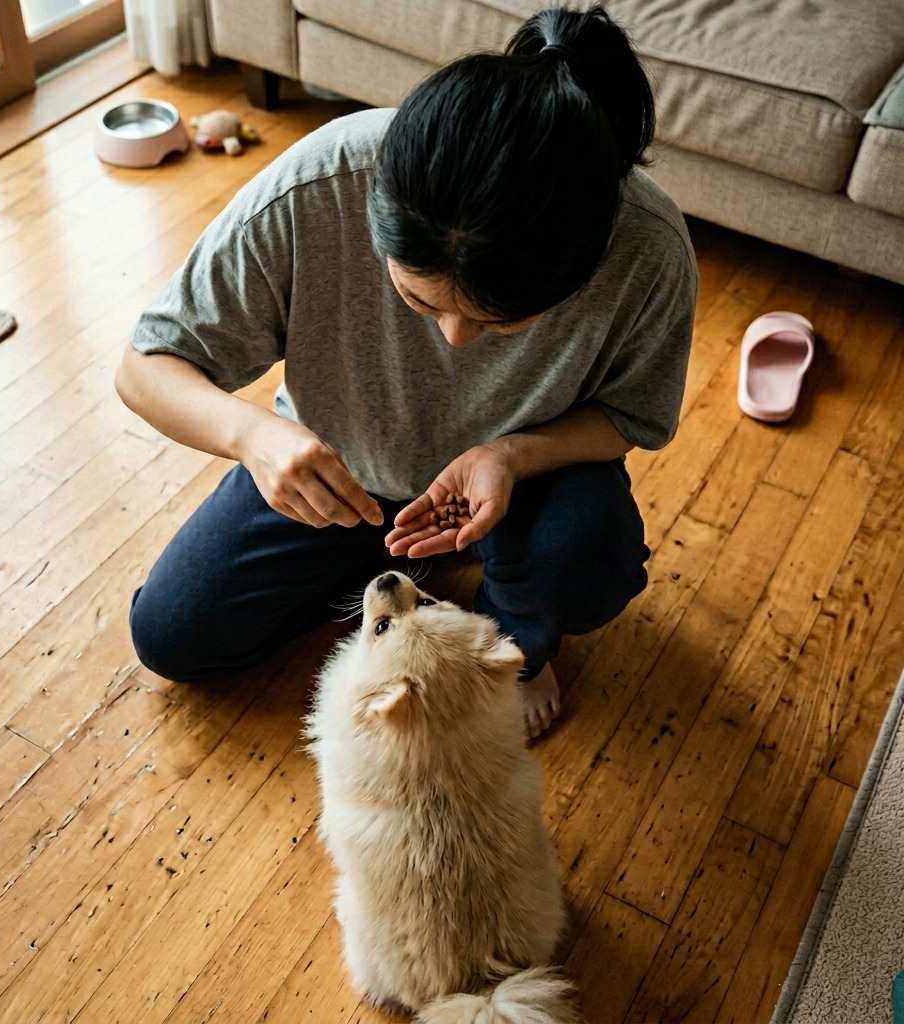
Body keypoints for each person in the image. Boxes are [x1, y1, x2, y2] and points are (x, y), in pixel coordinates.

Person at [115, 5, 697, 739]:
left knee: (584, 566)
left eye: (500, 322)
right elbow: (144, 368)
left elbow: (629, 416)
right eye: (420, 300)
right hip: (339, 474)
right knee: (172, 637)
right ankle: (402, 571)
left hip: (523, 486)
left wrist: (510, 455)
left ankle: (518, 643)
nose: (456, 341)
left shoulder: (644, 247)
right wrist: (254, 438)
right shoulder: (320, 183)